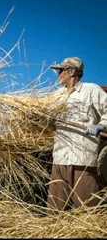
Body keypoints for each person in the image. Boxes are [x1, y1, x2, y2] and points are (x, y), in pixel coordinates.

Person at [47, 56, 107, 212]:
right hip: (59, 160)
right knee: (55, 211)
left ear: (71, 71)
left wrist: (101, 125)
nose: (58, 74)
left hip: (82, 160)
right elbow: (48, 122)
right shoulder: (56, 96)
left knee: (87, 211)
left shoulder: (91, 91)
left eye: (61, 70)